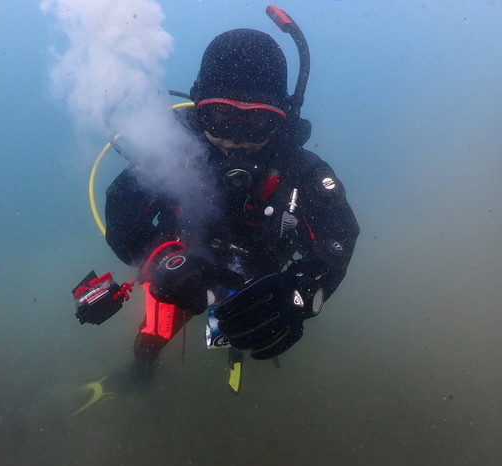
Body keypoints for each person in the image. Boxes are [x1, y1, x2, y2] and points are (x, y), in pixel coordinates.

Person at [93, 27, 360, 393]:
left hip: (262, 282)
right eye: (219, 116)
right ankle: (141, 374)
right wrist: (164, 259)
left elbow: (338, 236)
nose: (236, 136)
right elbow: (123, 206)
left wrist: (301, 296)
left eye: (260, 122)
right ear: (198, 106)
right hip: (180, 273)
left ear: (283, 116)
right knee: (152, 335)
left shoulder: (302, 170)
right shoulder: (172, 153)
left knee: (258, 328)